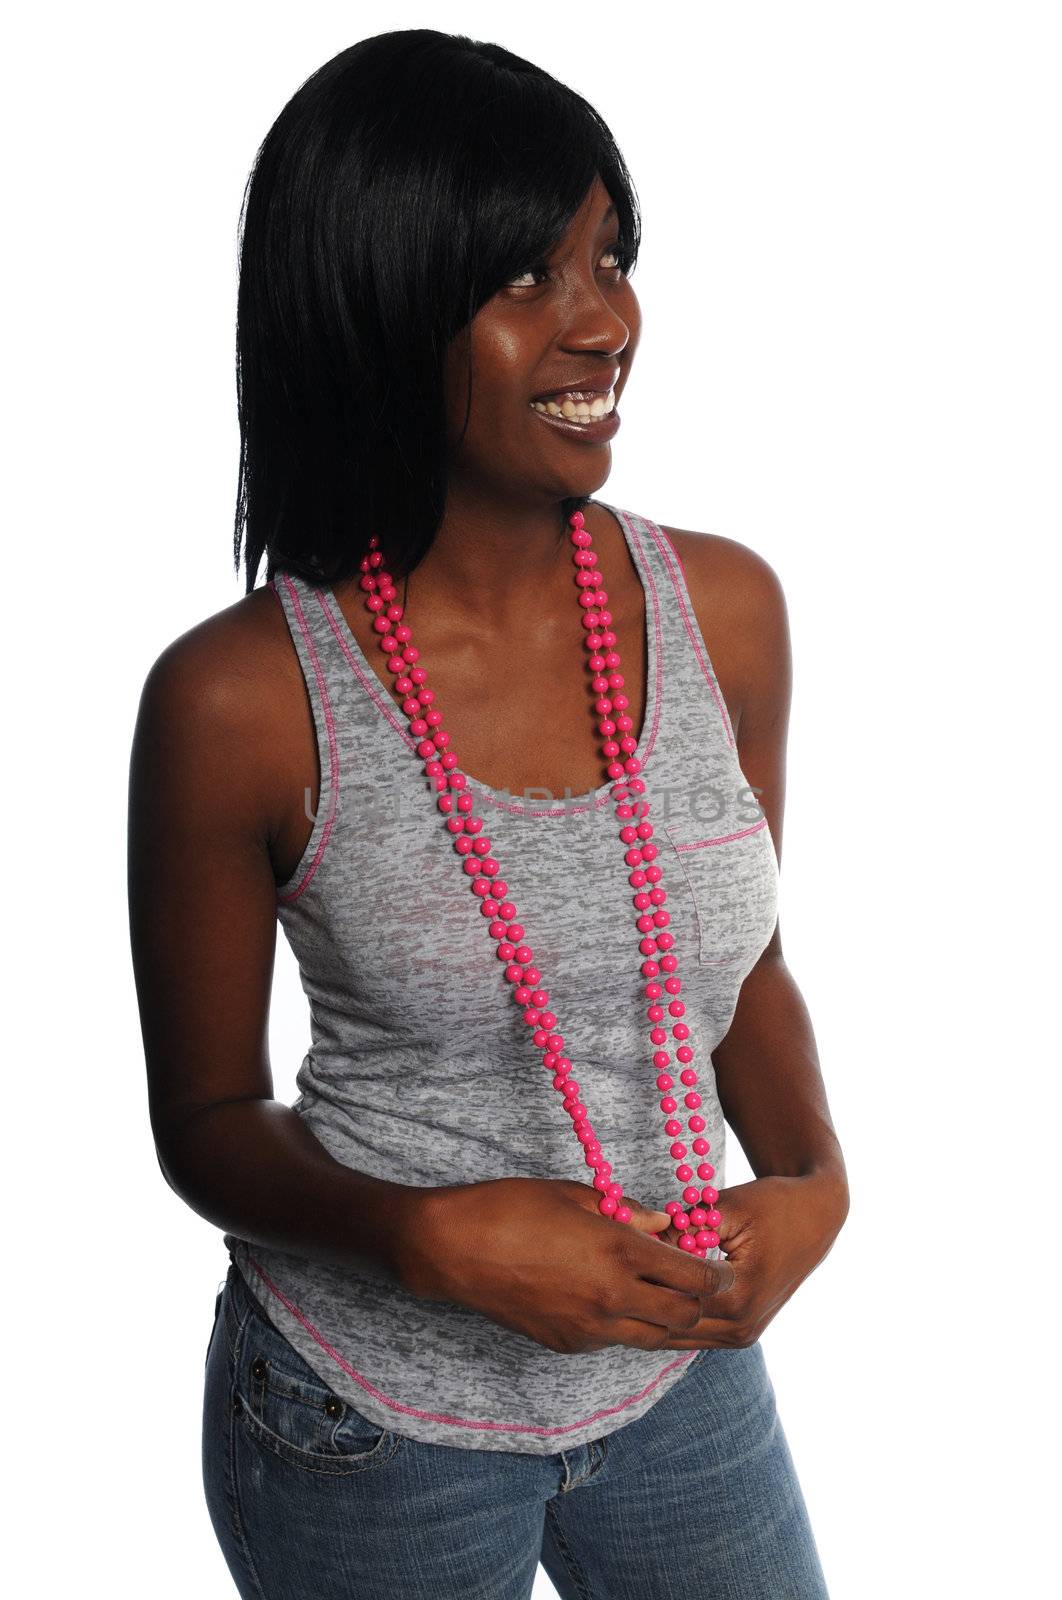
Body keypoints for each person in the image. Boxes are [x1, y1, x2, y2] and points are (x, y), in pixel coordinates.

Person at [128, 28, 849, 1600]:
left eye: (609, 256)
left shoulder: (722, 608)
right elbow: (200, 1126)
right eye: (526, 277)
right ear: (379, 305)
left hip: (676, 1365)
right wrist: (418, 1238)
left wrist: (809, 1184)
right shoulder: (241, 700)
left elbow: (744, 967)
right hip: (366, 1418)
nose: (605, 323)